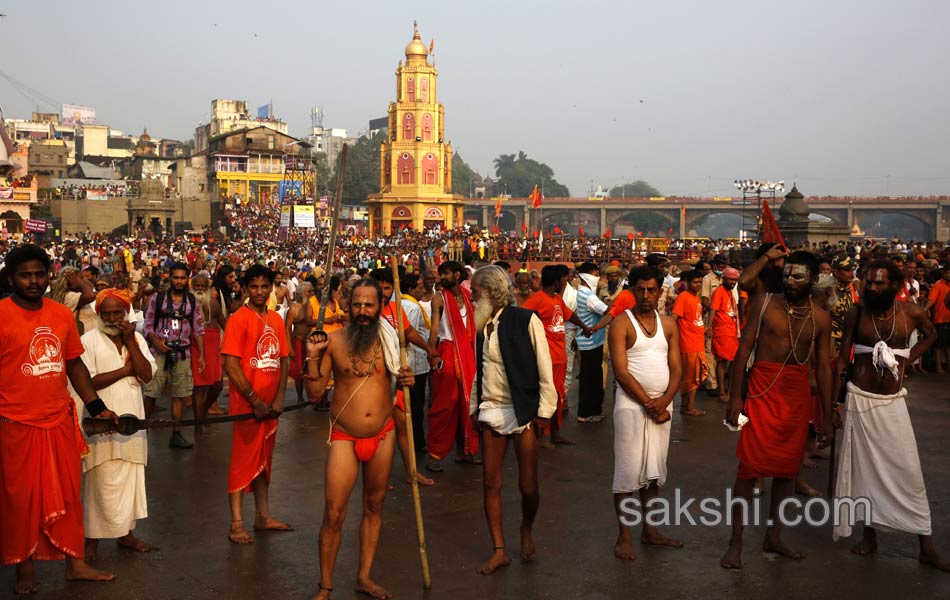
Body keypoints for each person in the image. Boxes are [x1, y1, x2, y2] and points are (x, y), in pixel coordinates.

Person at [0, 244, 118, 594]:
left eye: (39, 274)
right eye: (26, 275)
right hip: (14, 424)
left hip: (58, 421)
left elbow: (74, 364)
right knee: (20, 501)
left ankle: (76, 565)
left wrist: (97, 407)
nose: (34, 281)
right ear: (11, 279)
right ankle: (24, 568)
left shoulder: (61, 315)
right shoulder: (1, 314)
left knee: (68, 495)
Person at [832, 259, 950, 570]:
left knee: (909, 472)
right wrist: (833, 404)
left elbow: (931, 335)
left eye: (879, 283)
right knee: (864, 473)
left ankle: (925, 545)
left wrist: (908, 358)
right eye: (869, 282)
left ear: (894, 285)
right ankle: (869, 536)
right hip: (860, 402)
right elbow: (843, 358)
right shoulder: (856, 313)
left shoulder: (911, 311)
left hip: (892, 403)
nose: (872, 287)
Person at [305, 278, 416, 600]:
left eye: (369, 304)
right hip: (344, 436)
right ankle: (325, 586)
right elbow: (314, 394)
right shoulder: (334, 341)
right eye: (357, 305)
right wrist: (312, 355)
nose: (363, 311)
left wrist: (407, 378)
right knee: (334, 512)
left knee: (374, 504)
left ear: (380, 306)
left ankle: (364, 577)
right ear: (347, 306)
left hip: (383, 434)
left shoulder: (391, 340)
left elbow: (402, 378)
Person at [721, 251, 834, 570]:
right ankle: (736, 541)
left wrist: (826, 415)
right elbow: (744, 349)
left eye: (798, 276)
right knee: (748, 469)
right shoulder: (766, 303)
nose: (790, 281)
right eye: (787, 275)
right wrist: (734, 396)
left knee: (787, 471)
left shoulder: (820, 317)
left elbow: (824, 368)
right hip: (761, 389)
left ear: (813, 280)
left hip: (796, 395)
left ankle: (774, 536)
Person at [468, 265, 557, 574]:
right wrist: (473, 408)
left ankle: (526, 529)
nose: (472, 296)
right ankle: (499, 549)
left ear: (491, 291)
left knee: (528, 486)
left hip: (524, 409)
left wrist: (545, 413)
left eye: (476, 291)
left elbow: (545, 368)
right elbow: (479, 372)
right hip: (491, 408)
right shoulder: (483, 326)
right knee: (490, 483)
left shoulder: (526, 319)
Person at [75, 289, 157, 561]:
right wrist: (124, 370)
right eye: (106, 313)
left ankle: (126, 534)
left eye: (117, 313)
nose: (111, 318)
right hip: (101, 421)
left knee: (130, 479)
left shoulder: (138, 340)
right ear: (98, 314)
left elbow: (146, 374)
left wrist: (130, 340)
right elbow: (87, 382)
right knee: (100, 483)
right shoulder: (88, 341)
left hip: (133, 421)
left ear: (126, 314)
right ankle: (92, 541)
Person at [610, 266, 683, 560]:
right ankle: (624, 536)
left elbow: (677, 368)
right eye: (640, 289)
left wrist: (664, 401)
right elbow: (621, 373)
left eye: (651, 290)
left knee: (653, 473)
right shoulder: (621, 324)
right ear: (632, 290)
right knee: (627, 473)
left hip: (662, 407)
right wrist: (651, 404)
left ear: (660, 291)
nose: (645, 295)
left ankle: (650, 532)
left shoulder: (668, 325)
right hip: (631, 406)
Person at [221, 264, 292, 544]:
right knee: (241, 463)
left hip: (270, 407)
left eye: (265, 286)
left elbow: (283, 359)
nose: (260, 292)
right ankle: (236, 523)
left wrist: (279, 396)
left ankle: (262, 516)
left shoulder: (276, 318)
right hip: (246, 408)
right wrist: (254, 400)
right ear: (245, 288)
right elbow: (231, 365)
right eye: (254, 287)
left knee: (264, 462)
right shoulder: (238, 319)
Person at [368, 267, 438, 486]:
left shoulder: (396, 309)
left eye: (388, 287)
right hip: (375, 380)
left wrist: (428, 348)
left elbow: (408, 333)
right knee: (377, 430)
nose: (384, 291)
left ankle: (411, 472)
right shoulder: (367, 312)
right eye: (380, 287)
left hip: (397, 376)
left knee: (403, 425)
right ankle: (378, 477)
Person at [522, 264, 592, 446]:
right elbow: (521, 317)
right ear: (555, 281)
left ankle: (555, 432)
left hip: (560, 355)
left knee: (558, 395)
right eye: (563, 278)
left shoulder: (557, 300)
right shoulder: (537, 299)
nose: (566, 281)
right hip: (546, 358)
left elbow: (570, 316)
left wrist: (584, 327)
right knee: (546, 395)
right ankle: (542, 436)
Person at [143, 262, 206, 449]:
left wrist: (202, 355)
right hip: (159, 353)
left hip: (182, 353)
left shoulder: (192, 301)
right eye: (175, 277)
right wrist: (155, 341)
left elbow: (198, 328)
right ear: (170, 278)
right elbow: (147, 324)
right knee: (152, 393)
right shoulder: (158, 298)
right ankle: (143, 432)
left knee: (179, 395)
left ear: (188, 279)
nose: (179, 281)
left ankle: (176, 434)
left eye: (182, 278)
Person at [427, 261, 480, 470]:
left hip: (468, 353)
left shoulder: (468, 297)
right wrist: (431, 352)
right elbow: (433, 329)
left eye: (446, 274)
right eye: (441, 274)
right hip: (447, 353)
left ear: (457, 275)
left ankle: (465, 451)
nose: (442, 277)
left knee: (468, 405)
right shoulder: (438, 299)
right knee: (445, 406)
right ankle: (435, 455)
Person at [574, 262, 609, 422]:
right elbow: (606, 311)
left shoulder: (581, 293)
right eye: (596, 274)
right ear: (588, 276)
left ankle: (589, 411)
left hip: (586, 341)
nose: (598, 278)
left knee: (589, 377)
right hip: (591, 342)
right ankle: (587, 412)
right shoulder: (588, 296)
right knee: (591, 379)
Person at [190, 272, 224, 438]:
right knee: (199, 388)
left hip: (214, 346)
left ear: (208, 288)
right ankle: (197, 426)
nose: (200, 289)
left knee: (217, 385)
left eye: (203, 286)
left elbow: (225, 324)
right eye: (197, 286)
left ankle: (203, 412)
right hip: (197, 347)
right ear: (192, 287)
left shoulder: (214, 304)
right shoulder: (187, 305)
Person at [672, 270, 708, 416]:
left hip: (697, 341)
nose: (698, 285)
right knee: (693, 377)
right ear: (687, 282)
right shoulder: (683, 297)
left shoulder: (695, 298)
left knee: (691, 376)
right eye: (695, 282)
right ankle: (690, 407)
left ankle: (686, 406)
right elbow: (674, 317)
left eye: (700, 282)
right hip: (689, 344)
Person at [708, 267, 741, 402]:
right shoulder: (719, 292)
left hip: (731, 331)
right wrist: (709, 327)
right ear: (724, 279)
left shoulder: (729, 292)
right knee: (722, 362)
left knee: (732, 361)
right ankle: (722, 392)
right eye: (730, 279)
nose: (732, 282)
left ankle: (728, 390)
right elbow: (713, 310)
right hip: (722, 331)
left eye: (734, 280)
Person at [700, 254, 727, 395]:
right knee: (709, 351)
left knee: (722, 351)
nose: (722, 269)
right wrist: (717, 309)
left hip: (725, 321)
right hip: (711, 318)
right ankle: (712, 384)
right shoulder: (707, 279)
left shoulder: (728, 279)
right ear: (715, 265)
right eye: (720, 266)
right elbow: (705, 300)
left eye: (724, 266)